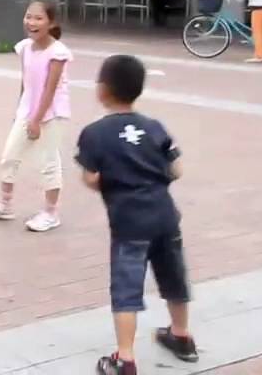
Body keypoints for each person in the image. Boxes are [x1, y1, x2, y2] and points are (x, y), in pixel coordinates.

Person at [76, 55, 198, 374]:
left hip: (129, 222)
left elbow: (91, 178)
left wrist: (115, 180)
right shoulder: (154, 126)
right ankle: (182, 336)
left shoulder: (94, 133)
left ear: (102, 90)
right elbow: (177, 169)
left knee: (126, 288)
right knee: (173, 275)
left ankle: (125, 358)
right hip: (165, 215)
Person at [0, 0, 72, 232]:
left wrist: (37, 120)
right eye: (29, 16)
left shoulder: (57, 52)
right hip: (27, 111)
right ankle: (5, 205)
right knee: (9, 156)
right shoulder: (24, 48)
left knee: (49, 163)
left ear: (51, 22)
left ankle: (51, 213)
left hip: (52, 113)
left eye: (39, 18)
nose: (32, 22)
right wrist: (21, 111)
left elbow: (50, 90)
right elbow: (26, 83)